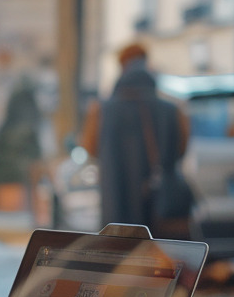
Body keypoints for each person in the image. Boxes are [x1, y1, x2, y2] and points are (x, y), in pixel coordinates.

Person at [82, 42, 191, 235]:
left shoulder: (100, 110)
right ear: (146, 64)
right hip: (159, 205)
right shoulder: (172, 110)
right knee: (161, 258)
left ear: (122, 67)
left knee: (120, 253)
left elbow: (89, 148)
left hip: (115, 203)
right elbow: (181, 150)